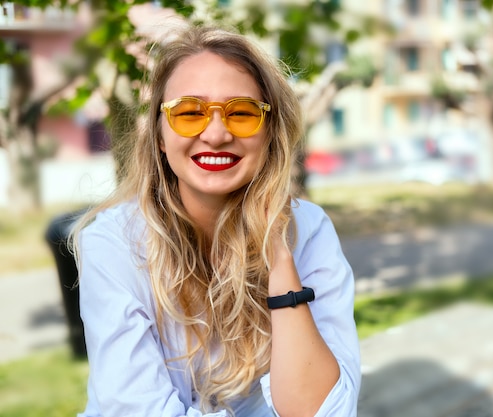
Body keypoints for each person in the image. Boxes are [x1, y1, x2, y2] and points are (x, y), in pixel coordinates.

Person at [71, 23, 361, 417]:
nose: (217, 133)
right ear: (159, 133)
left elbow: (324, 410)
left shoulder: (308, 230)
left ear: (269, 132)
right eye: (189, 112)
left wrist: (279, 259)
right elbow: (136, 409)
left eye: (241, 113)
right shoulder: (113, 242)